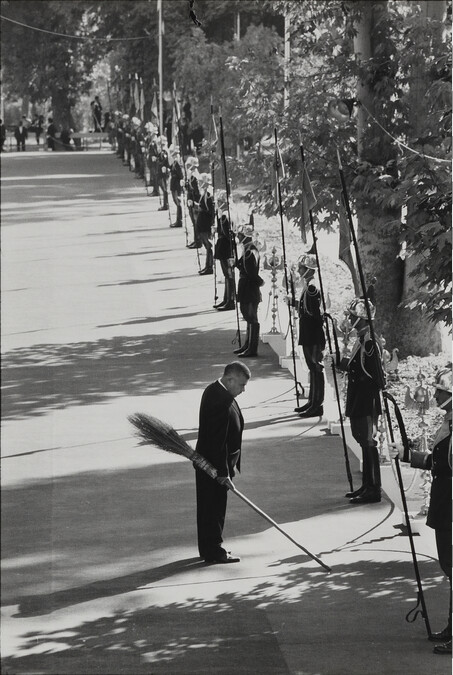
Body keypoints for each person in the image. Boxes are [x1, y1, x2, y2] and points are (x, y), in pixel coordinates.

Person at [390, 365, 452, 655]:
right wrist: (407, 455)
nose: (436, 396)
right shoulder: (449, 423)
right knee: (449, 568)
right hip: (445, 505)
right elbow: (438, 461)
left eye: (442, 392)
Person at [330, 289, 385, 503]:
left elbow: (376, 376)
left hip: (366, 401)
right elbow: (356, 367)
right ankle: (367, 485)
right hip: (358, 400)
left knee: (369, 442)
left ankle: (374, 489)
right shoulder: (362, 339)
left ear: (361, 319)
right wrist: (340, 361)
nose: (349, 319)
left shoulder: (370, 342)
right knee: (363, 441)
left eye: (352, 316)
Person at [195, 361, 250, 563]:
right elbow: (218, 442)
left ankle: (208, 547)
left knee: (210, 508)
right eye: (241, 385)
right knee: (213, 509)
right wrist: (223, 473)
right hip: (213, 467)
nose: (243, 390)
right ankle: (213, 550)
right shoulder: (219, 399)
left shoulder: (219, 391)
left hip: (214, 464)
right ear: (230, 379)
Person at [294, 252, 326, 418]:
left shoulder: (312, 288)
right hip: (308, 332)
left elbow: (315, 314)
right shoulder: (308, 285)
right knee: (311, 368)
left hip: (312, 334)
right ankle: (312, 401)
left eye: (301, 268)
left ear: (308, 269)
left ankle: (317, 404)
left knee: (315, 368)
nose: (299, 270)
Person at [233, 224, 264, 358]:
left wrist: (260, 282)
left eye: (240, 235)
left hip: (249, 287)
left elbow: (251, 273)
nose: (238, 237)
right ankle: (247, 344)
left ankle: (252, 347)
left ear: (245, 237)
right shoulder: (247, 249)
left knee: (251, 316)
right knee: (247, 315)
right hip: (246, 286)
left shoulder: (250, 252)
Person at [213, 195, 236, 311]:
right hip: (226, 247)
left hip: (225, 247)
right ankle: (226, 298)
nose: (218, 203)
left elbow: (227, 233)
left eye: (219, 201)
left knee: (229, 274)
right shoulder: (227, 213)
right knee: (227, 275)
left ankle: (230, 300)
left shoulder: (225, 216)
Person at [196, 173, 215, 275]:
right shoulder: (205, 193)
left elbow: (210, 210)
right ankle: (207, 265)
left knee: (208, 246)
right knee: (206, 245)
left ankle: (209, 266)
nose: (199, 183)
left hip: (205, 223)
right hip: (202, 223)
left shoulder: (208, 194)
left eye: (200, 181)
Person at [168, 145, 184, 228]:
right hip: (173, 185)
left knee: (178, 203)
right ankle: (178, 220)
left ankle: (179, 220)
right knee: (176, 202)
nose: (174, 156)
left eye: (176, 154)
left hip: (176, 185)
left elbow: (181, 175)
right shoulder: (174, 163)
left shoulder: (177, 164)